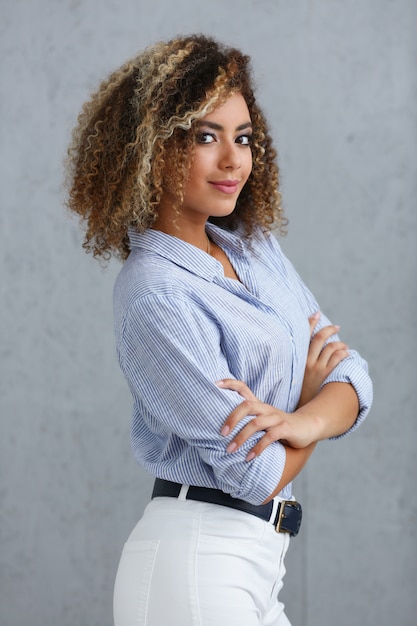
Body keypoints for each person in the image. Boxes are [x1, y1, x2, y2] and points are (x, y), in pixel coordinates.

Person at [65, 34, 373, 626]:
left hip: (260, 561)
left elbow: (354, 376)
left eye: (243, 137)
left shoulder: (256, 249)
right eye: (206, 136)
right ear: (150, 149)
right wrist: (313, 402)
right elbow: (253, 475)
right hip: (196, 564)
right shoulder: (153, 292)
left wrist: (298, 419)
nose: (234, 159)